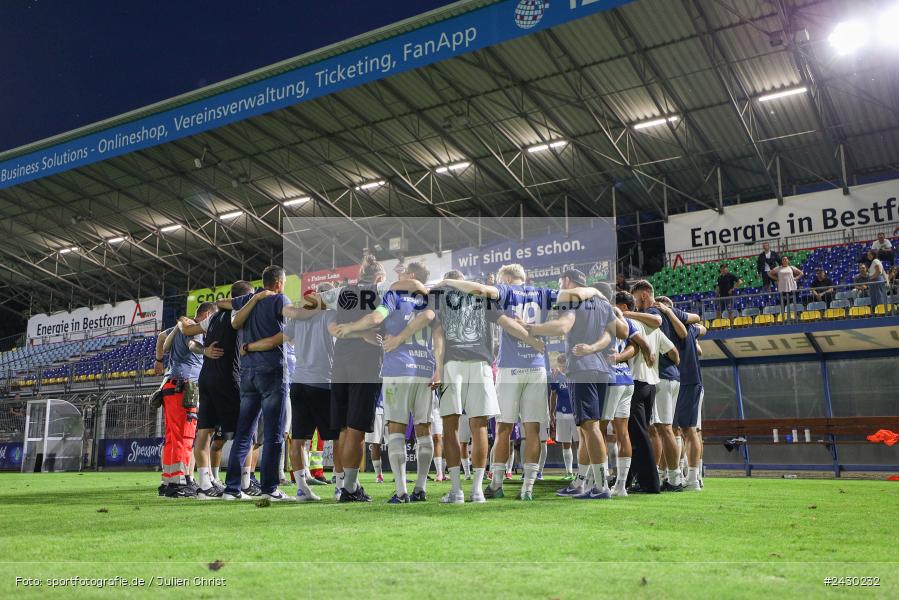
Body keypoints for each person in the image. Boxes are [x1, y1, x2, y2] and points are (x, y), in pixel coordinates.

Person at [439, 263, 554, 500]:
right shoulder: (541, 292)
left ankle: (485, 486)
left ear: (509, 278)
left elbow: (437, 332)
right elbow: (506, 322)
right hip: (531, 366)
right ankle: (524, 489)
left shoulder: (501, 293)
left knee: (501, 428)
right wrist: (534, 342)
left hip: (503, 367)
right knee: (527, 429)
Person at [333, 261, 436, 504]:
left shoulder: (389, 296)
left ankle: (399, 492)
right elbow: (433, 323)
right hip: (424, 368)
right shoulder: (430, 299)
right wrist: (439, 368)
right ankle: (420, 488)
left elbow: (373, 318)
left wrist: (350, 328)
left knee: (389, 429)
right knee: (424, 429)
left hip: (395, 367)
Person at [527, 270, 625, 500]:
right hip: (602, 370)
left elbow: (562, 327)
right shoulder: (601, 304)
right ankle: (583, 483)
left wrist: (533, 328)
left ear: (568, 282)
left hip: (581, 368)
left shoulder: (572, 301)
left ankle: (601, 486)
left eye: (562, 282)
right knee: (588, 429)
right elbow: (617, 333)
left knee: (590, 428)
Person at [178, 280, 254, 499]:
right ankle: (240, 486)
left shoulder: (212, 317)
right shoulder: (238, 315)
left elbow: (188, 331)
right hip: (228, 378)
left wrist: (202, 348)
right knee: (243, 433)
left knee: (205, 432)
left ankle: (204, 486)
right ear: (244, 297)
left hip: (206, 378)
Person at [222, 266, 293, 501]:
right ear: (279, 283)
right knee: (274, 434)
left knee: (244, 433)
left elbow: (223, 303)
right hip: (272, 370)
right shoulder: (279, 299)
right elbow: (290, 327)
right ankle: (270, 489)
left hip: (247, 373)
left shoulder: (246, 299)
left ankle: (232, 489)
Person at [327, 255, 387, 503]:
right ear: (379, 278)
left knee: (342, 428)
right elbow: (376, 318)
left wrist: (346, 331)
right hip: (365, 364)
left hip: (340, 362)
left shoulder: (342, 293)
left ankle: (343, 484)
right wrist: (360, 333)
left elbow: (331, 324)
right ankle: (350, 489)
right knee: (356, 429)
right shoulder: (381, 292)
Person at [623, 283, 682, 494]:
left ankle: (651, 482)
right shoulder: (652, 327)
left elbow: (635, 346)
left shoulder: (635, 321)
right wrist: (665, 364)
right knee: (647, 432)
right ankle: (635, 478)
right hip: (652, 383)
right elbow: (674, 352)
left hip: (637, 382)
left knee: (643, 434)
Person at [159, 301, 216, 498]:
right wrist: (206, 350)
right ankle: (180, 482)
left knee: (172, 437)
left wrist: (158, 360)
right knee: (185, 436)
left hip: (170, 385)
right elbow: (193, 344)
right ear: (207, 314)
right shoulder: (193, 328)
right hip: (184, 387)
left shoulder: (178, 326)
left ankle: (168, 481)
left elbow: (162, 340)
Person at [672, 319, 707, 492]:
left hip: (688, 381)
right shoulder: (688, 329)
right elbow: (702, 333)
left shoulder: (682, 327)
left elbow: (702, 328)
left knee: (688, 430)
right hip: (689, 382)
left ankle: (692, 476)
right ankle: (694, 475)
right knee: (687, 430)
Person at [549, 355, 577, 480]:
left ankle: (583, 472)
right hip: (561, 413)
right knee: (566, 443)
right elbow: (553, 396)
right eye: (560, 365)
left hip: (576, 414)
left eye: (564, 364)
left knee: (580, 442)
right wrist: (551, 412)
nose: (562, 367)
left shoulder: (575, 374)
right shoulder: (556, 378)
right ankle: (569, 472)